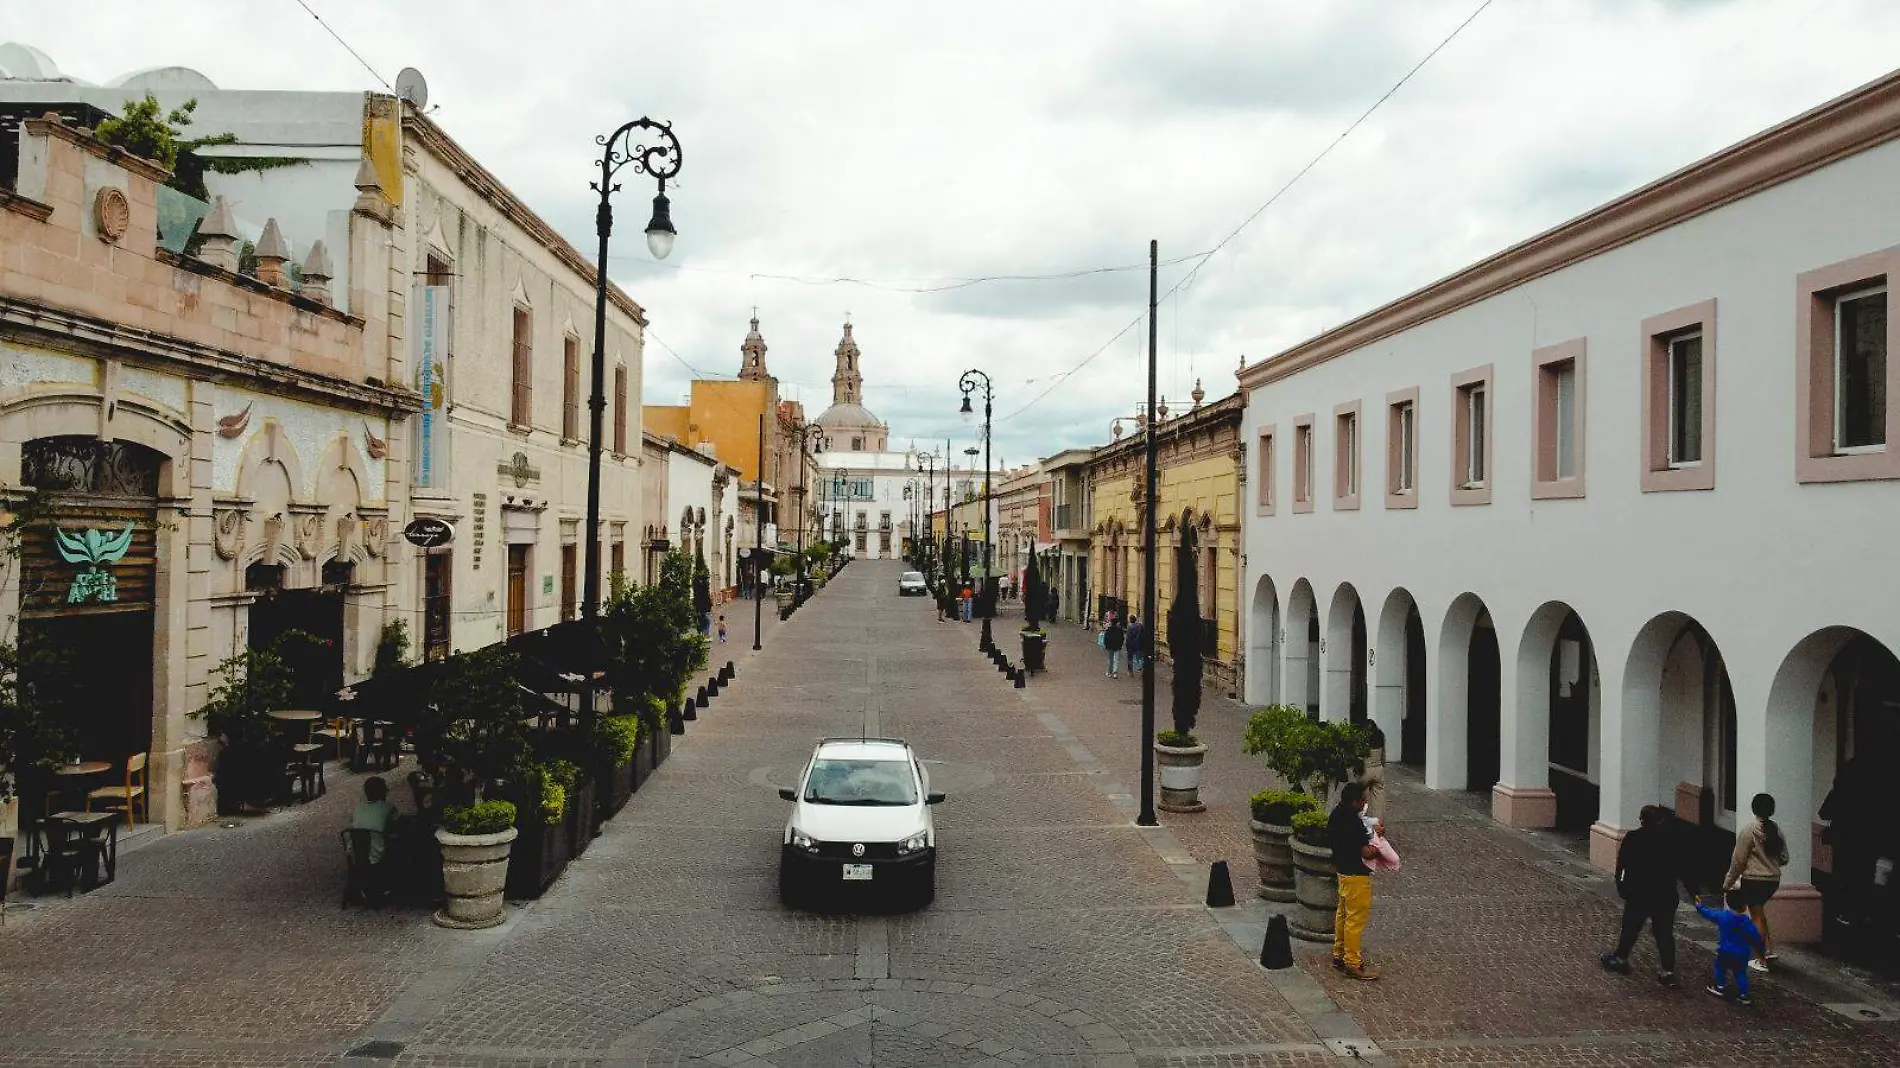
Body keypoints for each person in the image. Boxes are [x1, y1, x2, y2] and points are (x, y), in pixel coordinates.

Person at [1601, 805, 1693, 986]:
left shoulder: (1634, 838)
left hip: (1639, 893)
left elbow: (1622, 865)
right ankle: (1667, 970)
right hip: (1664, 894)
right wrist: (1694, 892)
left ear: (1642, 820)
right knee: (1664, 933)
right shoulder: (1671, 839)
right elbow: (1683, 868)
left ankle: (1621, 958)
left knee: (1631, 927)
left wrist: (1621, 886)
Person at [1724, 792, 1789, 973]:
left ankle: (1762, 959)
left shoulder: (1749, 831)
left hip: (1753, 880)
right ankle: (1768, 950)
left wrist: (1728, 882)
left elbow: (1738, 861)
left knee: (1756, 918)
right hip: (1772, 880)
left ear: (1754, 808)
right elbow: (1784, 857)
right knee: (1759, 913)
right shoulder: (1776, 830)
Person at [1821, 749, 1882, 929]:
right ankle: (1865, 912)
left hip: (1844, 838)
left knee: (1844, 873)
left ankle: (1846, 912)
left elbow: (1825, 812)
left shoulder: (1843, 786)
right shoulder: (1875, 790)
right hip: (1869, 838)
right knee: (1865, 874)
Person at [1330, 782, 1380, 980]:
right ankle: (1352, 962)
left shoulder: (1336, 815)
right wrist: (1377, 844)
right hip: (1357, 875)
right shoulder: (1353, 823)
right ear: (1353, 802)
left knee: (1343, 914)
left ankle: (1339, 954)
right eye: (1362, 800)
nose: (1365, 802)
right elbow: (1366, 852)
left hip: (1342, 872)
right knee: (1355, 920)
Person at [1697, 889, 1765, 1005]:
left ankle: (1719, 987)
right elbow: (1756, 938)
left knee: (1720, 968)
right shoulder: (1747, 922)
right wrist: (1762, 952)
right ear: (1745, 906)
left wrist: (1700, 906)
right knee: (1740, 973)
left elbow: (1709, 914)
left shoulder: (1723, 916)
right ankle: (1743, 995)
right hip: (1742, 953)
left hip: (1725, 950)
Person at [351, 776, 399, 867]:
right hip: (377, 856)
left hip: (356, 854)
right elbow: (396, 827)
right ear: (383, 792)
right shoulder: (388, 807)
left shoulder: (358, 808)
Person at [1360, 723, 1388, 819]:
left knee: (1361, 798)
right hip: (1378, 769)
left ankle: (1362, 818)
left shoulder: (1363, 739)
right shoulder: (1380, 737)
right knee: (1378, 800)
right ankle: (1377, 821)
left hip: (1365, 770)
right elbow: (1383, 755)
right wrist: (1382, 766)